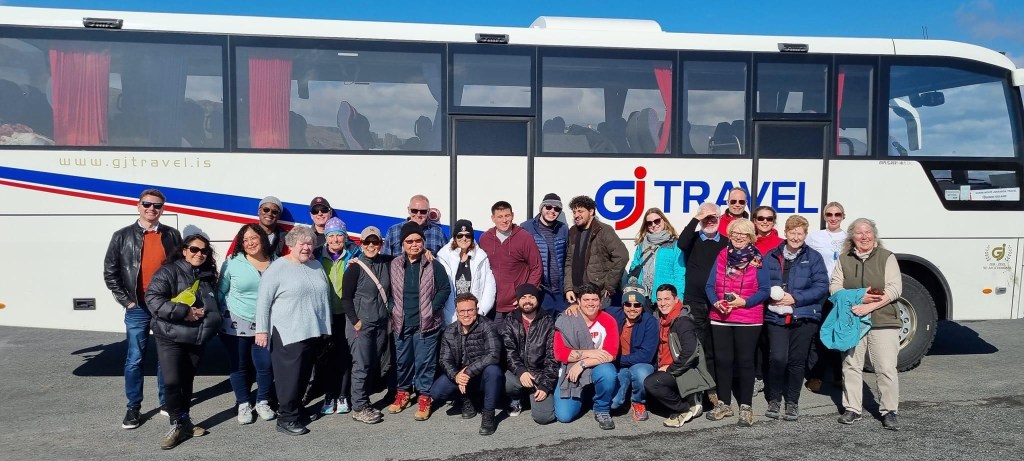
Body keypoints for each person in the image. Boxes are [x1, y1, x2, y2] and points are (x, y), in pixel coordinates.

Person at [103, 188, 181, 430]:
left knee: (165, 357)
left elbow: (180, 268)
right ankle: (133, 407)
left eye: (157, 205)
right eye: (147, 204)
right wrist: (127, 301)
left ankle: (166, 402)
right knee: (135, 359)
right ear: (138, 206)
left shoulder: (172, 235)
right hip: (137, 306)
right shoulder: (122, 236)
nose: (151, 209)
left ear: (162, 209)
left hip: (164, 305)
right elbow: (110, 273)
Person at [144, 234, 222, 449]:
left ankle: (185, 421)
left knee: (187, 381)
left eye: (204, 251)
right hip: (170, 336)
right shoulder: (168, 271)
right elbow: (153, 299)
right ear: (184, 250)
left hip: (196, 338)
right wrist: (184, 311)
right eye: (194, 249)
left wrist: (212, 324)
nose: (199, 254)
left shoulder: (207, 275)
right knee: (171, 381)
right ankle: (176, 424)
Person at [255, 226, 332, 436]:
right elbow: (263, 301)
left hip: (312, 331)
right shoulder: (278, 268)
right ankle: (286, 418)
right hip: (289, 332)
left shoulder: (315, 265)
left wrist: (326, 327)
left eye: (310, 243)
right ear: (291, 244)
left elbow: (323, 297)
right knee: (289, 378)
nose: (307, 247)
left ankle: (296, 410)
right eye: (302, 243)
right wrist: (261, 330)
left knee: (303, 375)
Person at [831, 218, 903, 431]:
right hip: (852, 320)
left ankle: (889, 411)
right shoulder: (844, 259)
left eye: (868, 232)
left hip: (883, 320)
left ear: (874, 235)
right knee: (851, 366)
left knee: (886, 368)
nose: (864, 237)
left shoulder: (887, 257)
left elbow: (895, 289)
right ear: (852, 237)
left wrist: (869, 307)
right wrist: (859, 297)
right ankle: (852, 408)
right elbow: (835, 287)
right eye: (859, 233)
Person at [704, 218, 770, 427]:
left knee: (745, 362)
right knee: (723, 361)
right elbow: (709, 285)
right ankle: (724, 404)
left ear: (750, 237)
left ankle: (746, 407)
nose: (739, 237)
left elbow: (765, 290)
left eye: (743, 234)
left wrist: (745, 302)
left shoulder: (757, 259)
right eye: (734, 233)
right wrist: (716, 302)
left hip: (748, 317)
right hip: (721, 316)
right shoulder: (722, 255)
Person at [762, 215, 828, 421]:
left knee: (797, 361)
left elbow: (821, 286)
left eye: (800, 233)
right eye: (792, 233)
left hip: (804, 315)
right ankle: (774, 399)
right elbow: (761, 283)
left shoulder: (814, 257)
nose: (796, 237)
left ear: (805, 235)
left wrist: (795, 298)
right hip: (776, 315)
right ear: (786, 233)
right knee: (777, 358)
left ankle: (792, 402)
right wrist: (770, 295)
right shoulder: (771, 256)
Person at [388, 221, 451, 421]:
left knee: (425, 363)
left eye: (418, 240)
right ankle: (403, 393)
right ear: (402, 244)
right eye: (409, 241)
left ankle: (424, 397)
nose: (414, 244)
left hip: (426, 324)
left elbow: (444, 289)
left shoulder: (433, 264)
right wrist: (392, 308)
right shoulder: (395, 264)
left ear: (423, 242)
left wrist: (431, 309)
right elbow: (387, 291)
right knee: (403, 362)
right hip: (401, 323)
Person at [217, 224, 276, 425]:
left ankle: (262, 401)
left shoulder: (275, 261)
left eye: (254, 238)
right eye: (246, 240)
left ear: (262, 238)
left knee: (265, 364)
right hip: (235, 321)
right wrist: (215, 315)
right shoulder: (233, 262)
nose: (250, 243)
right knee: (239, 365)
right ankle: (243, 403)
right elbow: (221, 290)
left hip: (265, 323)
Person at [676, 202, 728, 407]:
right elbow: (681, 242)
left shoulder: (726, 243)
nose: (709, 221)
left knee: (714, 348)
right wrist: (698, 218)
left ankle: (712, 390)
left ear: (720, 219)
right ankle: (697, 390)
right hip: (695, 302)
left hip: (717, 303)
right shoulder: (693, 239)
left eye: (713, 217)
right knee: (696, 348)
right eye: (705, 218)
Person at [431, 293, 504, 436]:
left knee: (493, 371)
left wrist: (468, 371)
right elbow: (444, 360)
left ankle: (488, 414)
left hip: (482, 375)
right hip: (461, 377)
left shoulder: (488, 326)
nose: (466, 314)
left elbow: (493, 355)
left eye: (470, 310)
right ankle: (465, 399)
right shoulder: (449, 331)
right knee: (437, 391)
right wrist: (456, 375)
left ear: (477, 309)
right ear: (457, 312)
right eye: (462, 311)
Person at [644, 284, 714, 427]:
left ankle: (683, 409)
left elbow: (690, 352)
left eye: (667, 299)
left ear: (676, 300)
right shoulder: (658, 318)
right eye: (659, 299)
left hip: (683, 369)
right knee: (653, 403)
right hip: (664, 366)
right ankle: (690, 397)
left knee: (652, 383)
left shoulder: (683, 321)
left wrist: (670, 369)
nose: (663, 303)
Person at [341, 226, 391, 425]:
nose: (371, 246)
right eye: (367, 242)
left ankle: (364, 401)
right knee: (361, 365)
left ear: (381, 244)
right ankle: (359, 407)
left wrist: (428, 253)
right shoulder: (354, 267)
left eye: (375, 242)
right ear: (361, 244)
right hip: (360, 325)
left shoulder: (386, 262)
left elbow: (406, 258)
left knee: (372, 363)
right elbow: (346, 298)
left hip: (379, 323)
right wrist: (355, 321)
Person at [553, 283, 620, 430]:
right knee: (564, 416)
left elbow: (610, 354)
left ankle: (601, 409)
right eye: (586, 300)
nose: (590, 303)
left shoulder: (608, 320)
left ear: (600, 302)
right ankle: (585, 396)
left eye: (594, 300)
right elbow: (560, 353)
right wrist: (591, 353)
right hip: (571, 369)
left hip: (597, 366)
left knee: (608, 373)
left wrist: (582, 363)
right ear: (578, 301)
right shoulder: (567, 320)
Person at [310, 217, 359, 416]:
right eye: (331, 236)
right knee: (327, 357)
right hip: (325, 315)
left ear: (345, 237)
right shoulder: (316, 256)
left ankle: (343, 395)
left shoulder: (354, 254)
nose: (335, 239)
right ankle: (329, 395)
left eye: (339, 235)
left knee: (344, 356)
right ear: (326, 237)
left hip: (346, 314)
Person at [804, 202, 847, 392]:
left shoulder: (849, 238)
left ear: (843, 216)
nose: (833, 218)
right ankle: (816, 375)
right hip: (821, 290)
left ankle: (839, 375)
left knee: (840, 333)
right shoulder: (815, 237)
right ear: (824, 216)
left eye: (837, 214)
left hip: (841, 291)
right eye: (829, 214)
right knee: (820, 332)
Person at [502, 284, 558, 425]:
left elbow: (552, 358)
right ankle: (516, 397)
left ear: (537, 299)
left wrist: (545, 386)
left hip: (539, 375)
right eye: (523, 297)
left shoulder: (548, 322)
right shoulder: (510, 320)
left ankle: (531, 394)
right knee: (505, 381)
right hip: (516, 373)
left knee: (544, 418)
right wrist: (521, 371)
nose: (527, 301)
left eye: (531, 297)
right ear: (518, 301)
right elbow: (508, 351)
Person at [478, 201, 542, 322]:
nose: (504, 220)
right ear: (493, 218)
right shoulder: (485, 238)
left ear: (512, 215)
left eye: (507, 216)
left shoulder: (524, 238)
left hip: (515, 306)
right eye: (500, 217)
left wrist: (525, 296)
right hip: (490, 305)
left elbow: (536, 267)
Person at [563, 195, 628, 306]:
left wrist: (609, 285)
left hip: (599, 293)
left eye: (580, 211)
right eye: (574, 212)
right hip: (577, 294)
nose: (576, 215)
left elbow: (622, 256)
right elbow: (569, 261)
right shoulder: (573, 231)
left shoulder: (604, 230)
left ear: (591, 211)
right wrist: (568, 288)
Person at [607, 284, 658, 422]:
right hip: (620, 364)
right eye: (628, 304)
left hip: (640, 363)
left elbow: (646, 355)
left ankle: (638, 401)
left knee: (641, 374)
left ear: (642, 306)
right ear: (623, 305)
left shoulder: (650, 321)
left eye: (637, 305)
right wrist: (575, 307)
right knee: (613, 404)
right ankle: (624, 395)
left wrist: (617, 359)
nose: (632, 308)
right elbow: (592, 309)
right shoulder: (613, 314)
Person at [437, 219, 496, 323]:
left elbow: (489, 286)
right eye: (460, 235)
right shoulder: (443, 257)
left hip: (474, 316)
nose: (464, 238)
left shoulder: (481, 257)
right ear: (455, 238)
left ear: (472, 237)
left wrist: (480, 311)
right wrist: (446, 315)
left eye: (467, 235)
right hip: (450, 317)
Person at [520, 193, 570, 314]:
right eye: (548, 207)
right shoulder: (526, 227)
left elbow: (569, 258)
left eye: (557, 209)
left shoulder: (563, 229)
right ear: (541, 208)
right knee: (543, 324)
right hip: (540, 291)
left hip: (560, 291)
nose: (552, 211)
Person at [751, 205, 782, 395]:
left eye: (769, 218)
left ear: (774, 221)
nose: (765, 221)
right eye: (761, 218)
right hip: (753, 298)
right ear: (754, 221)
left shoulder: (781, 244)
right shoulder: (748, 241)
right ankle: (758, 376)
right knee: (755, 340)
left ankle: (772, 378)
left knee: (773, 341)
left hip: (774, 299)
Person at [627, 207, 685, 298]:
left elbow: (679, 273)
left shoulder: (674, 244)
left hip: (666, 296)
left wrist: (679, 297)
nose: (654, 225)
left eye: (657, 221)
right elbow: (634, 266)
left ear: (663, 220)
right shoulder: (642, 244)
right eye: (649, 223)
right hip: (643, 294)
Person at [382, 194, 448, 257]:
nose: (418, 215)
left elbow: (446, 259)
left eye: (423, 211)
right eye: (414, 211)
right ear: (408, 210)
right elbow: (385, 259)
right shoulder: (393, 231)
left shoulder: (438, 232)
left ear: (428, 211)